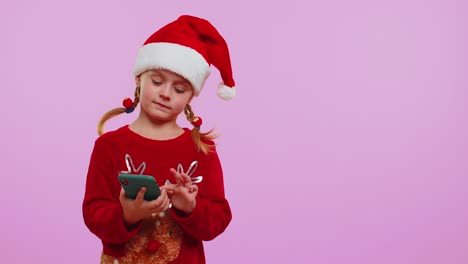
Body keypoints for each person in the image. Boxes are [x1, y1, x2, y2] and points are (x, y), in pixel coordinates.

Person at [82, 15, 236, 264]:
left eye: (179, 89)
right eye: (157, 81)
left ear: (190, 97)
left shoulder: (201, 148)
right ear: (138, 79)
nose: (165, 94)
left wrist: (190, 206)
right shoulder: (109, 146)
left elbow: (218, 220)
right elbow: (93, 214)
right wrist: (127, 215)